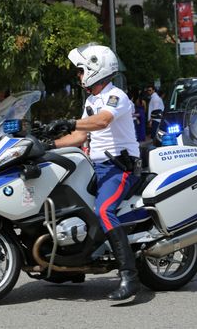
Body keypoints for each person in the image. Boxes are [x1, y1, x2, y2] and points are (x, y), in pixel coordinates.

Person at [45, 44, 141, 301]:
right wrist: (48, 142)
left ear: (94, 70)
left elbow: (102, 121)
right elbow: (80, 135)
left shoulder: (116, 96)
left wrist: (70, 122)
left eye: (80, 70)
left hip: (119, 168)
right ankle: (69, 267)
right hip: (95, 167)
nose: (78, 75)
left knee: (104, 211)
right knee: (66, 203)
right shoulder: (91, 100)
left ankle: (129, 276)